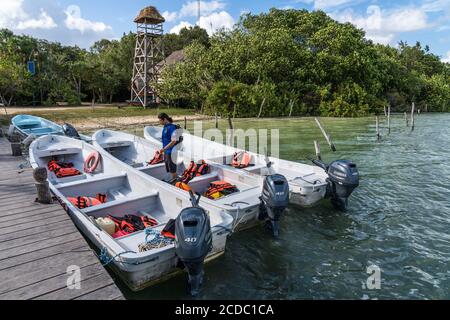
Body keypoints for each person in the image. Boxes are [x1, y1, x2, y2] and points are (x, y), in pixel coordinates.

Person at [158, 113, 179, 181]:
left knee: (173, 169)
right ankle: (174, 179)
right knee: (169, 168)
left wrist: (164, 149)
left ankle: (175, 181)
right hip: (167, 151)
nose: (159, 122)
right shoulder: (165, 127)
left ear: (164, 119)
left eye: (160, 120)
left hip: (171, 152)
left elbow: (174, 141)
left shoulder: (171, 127)